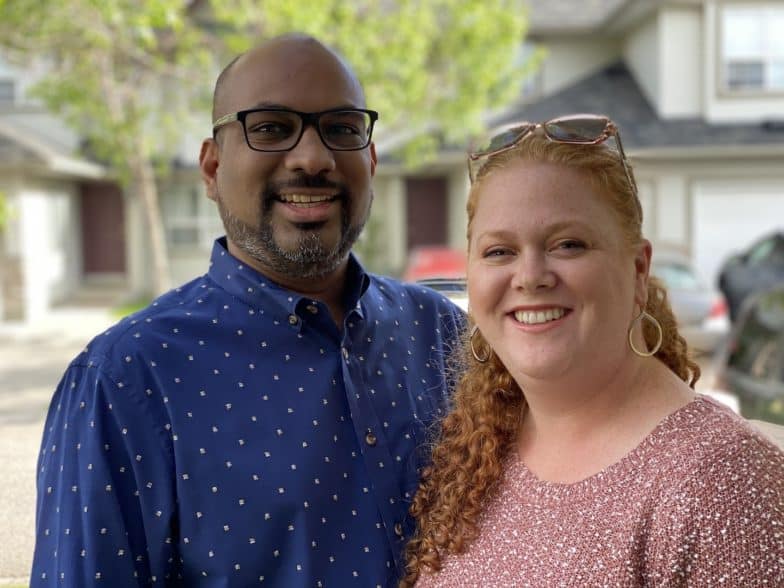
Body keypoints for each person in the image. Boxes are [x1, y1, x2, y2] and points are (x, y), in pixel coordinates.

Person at [31, 34, 464, 587]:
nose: (313, 157)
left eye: (342, 129)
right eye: (270, 128)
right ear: (211, 169)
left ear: (372, 160)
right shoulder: (123, 381)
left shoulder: (443, 333)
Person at [402, 115, 784, 586]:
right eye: (499, 251)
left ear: (639, 271)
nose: (530, 276)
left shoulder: (722, 482)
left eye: (568, 244)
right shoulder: (481, 448)